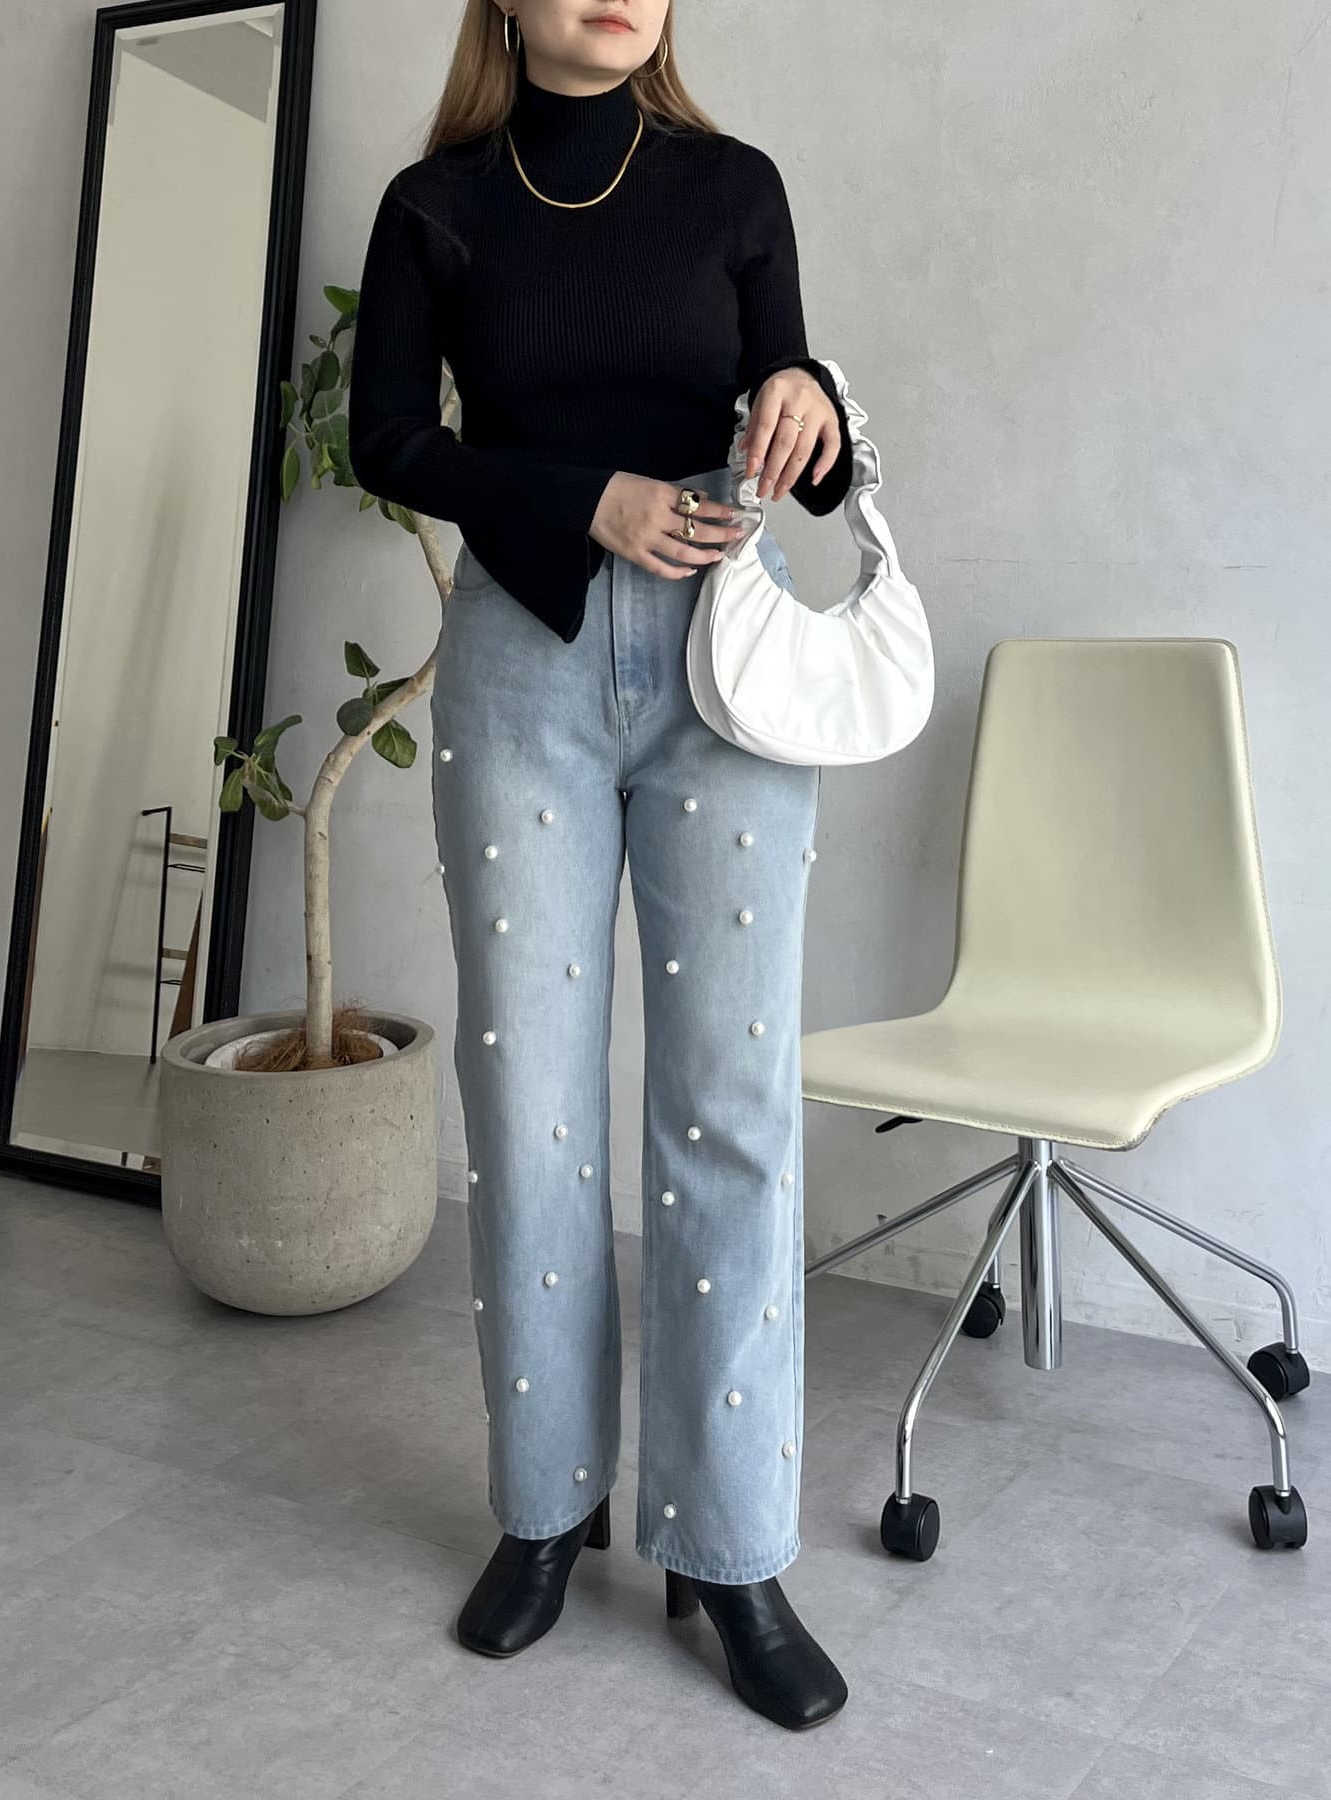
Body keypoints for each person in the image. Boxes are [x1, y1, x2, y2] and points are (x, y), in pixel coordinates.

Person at [348, 0, 857, 1733]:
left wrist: (805, 400)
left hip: (729, 664)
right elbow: (386, 440)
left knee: (733, 1101)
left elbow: (806, 441)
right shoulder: (437, 206)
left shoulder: (736, 185)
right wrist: (586, 500)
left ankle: (731, 1548)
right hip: (524, 665)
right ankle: (546, 1509)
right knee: (531, 1101)